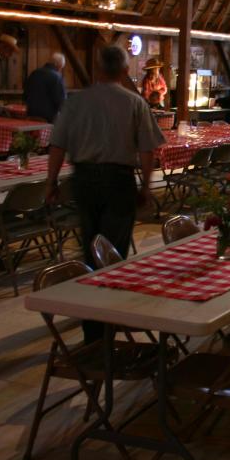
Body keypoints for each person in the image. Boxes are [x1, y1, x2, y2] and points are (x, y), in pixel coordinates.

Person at [45, 46, 164, 343]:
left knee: (89, 248)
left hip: (84, 180)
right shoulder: (134, 103)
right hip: (118, 180)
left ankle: (92, 326)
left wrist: (51, 182)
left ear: (97, 70)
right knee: (112, 253)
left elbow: (57, 144)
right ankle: (106, 322)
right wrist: (146, 186)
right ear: (125, 72)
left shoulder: (77, 101)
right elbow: (147, 149)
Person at [23, 53, 67, 122]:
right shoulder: (57, 77)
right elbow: (61, 101)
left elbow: (25, 94)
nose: (60, 70)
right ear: (57, 65)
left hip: (31, 114)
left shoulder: (34, 73)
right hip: (48, 118)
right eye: (61, 67)